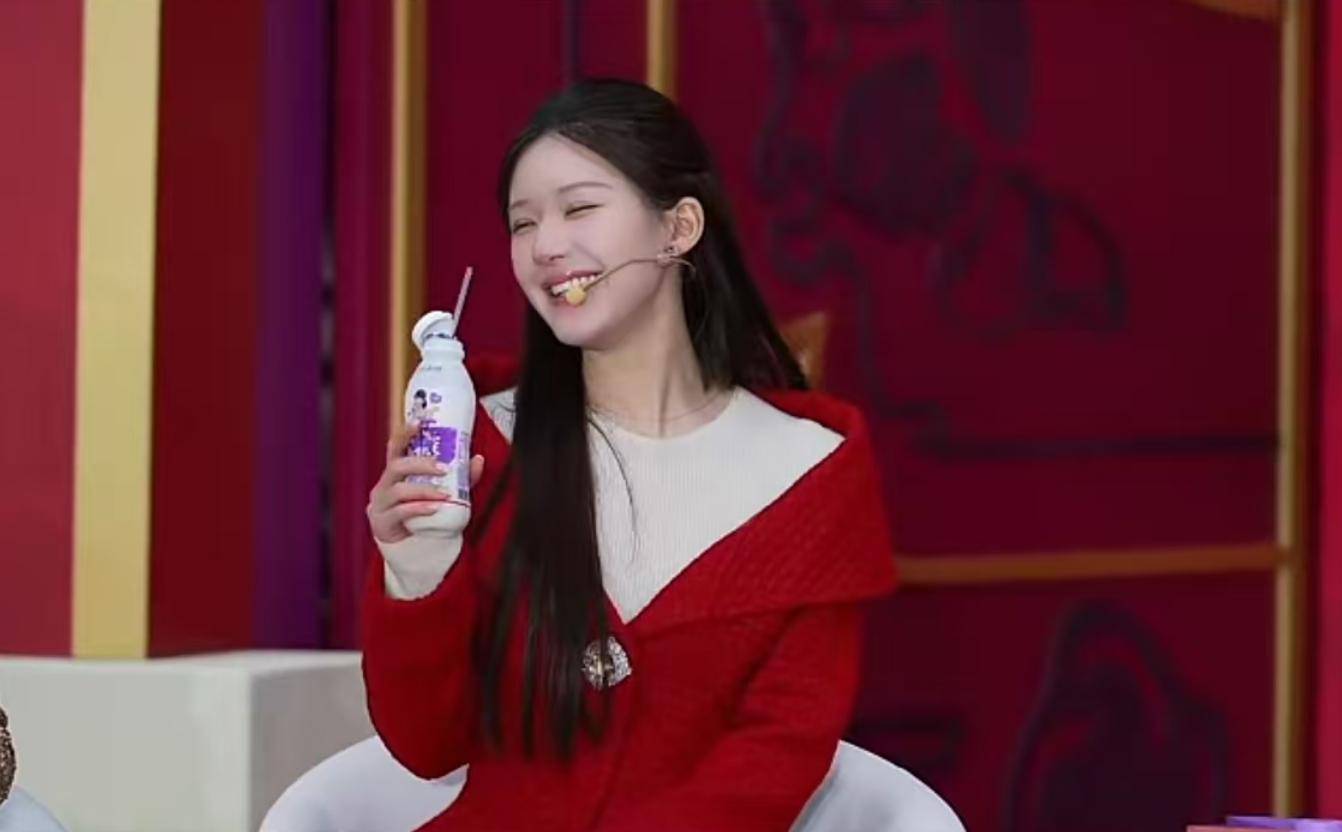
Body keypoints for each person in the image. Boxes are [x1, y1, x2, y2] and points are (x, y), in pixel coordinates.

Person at [362, 78, 897, 831]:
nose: (546, 246)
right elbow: (425, 745)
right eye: (522, 223)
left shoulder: (810, 476)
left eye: (579, 208)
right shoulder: (481, 442)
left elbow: (775, 758)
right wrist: (416, 571)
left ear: (678, 227)